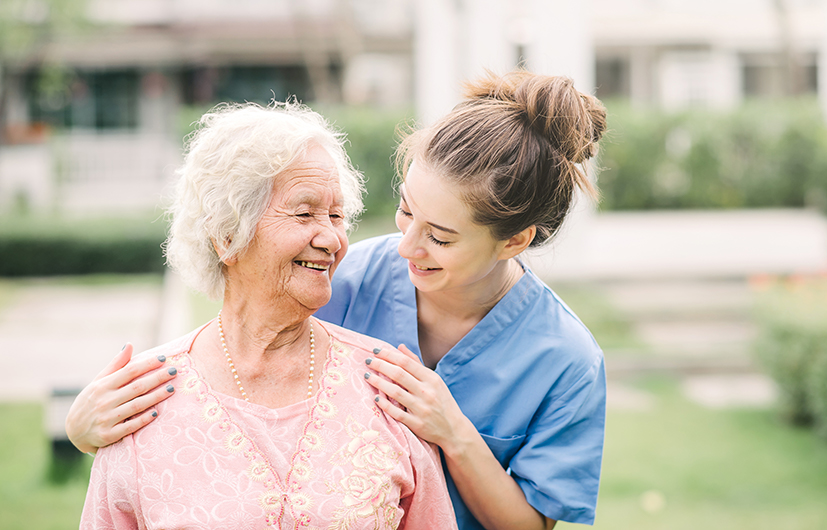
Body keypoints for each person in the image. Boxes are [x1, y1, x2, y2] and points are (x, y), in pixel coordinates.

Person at [70, 70, 607, 530]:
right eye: (405, 210)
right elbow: (244, 330)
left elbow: (534, 524)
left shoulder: (566, 360)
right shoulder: (346, 275)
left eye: (440, 237)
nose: (407, 246)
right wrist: (87, 427)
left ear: (514, 241)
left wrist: (453, 432)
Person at [79, 101, 457, 530]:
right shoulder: (142, 401)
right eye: (304, 212)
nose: (332, 238)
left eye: (337, 215)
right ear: (227, 235)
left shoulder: (387, 385)